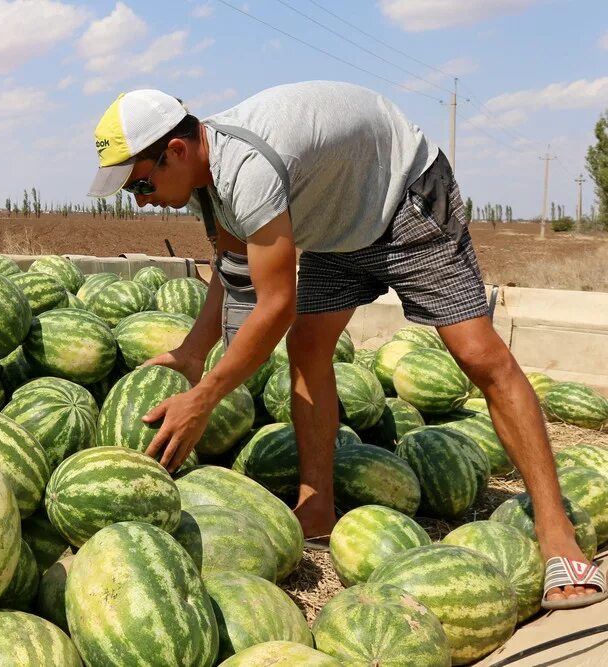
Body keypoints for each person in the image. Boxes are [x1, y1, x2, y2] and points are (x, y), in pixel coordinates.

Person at [86, 82, 606, 610]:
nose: (142, 200)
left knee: (478, 355)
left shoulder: (246, 168)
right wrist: (193, 351)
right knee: (308, 349)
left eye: (141, 184)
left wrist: (205, 398)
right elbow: (233, 264)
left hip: (403, 196)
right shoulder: (207, 182)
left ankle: (555, 528)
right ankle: (317, 505)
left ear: (176, 150)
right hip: (337, 227)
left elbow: (275, 306)